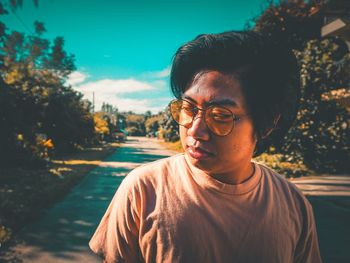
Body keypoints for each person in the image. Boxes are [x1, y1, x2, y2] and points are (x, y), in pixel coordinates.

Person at [89, 31, 322, 263]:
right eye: (189, 109)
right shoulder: (143, 189)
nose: (195, 130)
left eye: (220, 115)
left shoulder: (293, 205)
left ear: (269, 122)